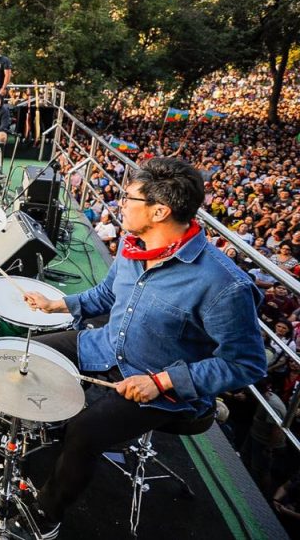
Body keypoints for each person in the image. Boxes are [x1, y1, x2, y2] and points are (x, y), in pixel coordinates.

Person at [22, 157, 266, 538]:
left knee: (85, 432)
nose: (120, 203)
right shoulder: (133, 244)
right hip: (105, 345)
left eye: (127, 197)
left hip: (162, 387)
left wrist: (164, 381)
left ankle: (47, 513)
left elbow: (246, 364)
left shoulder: (223, 285)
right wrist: (62, 305)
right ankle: (42, 435)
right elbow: (107, 293)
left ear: (159, 210)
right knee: (29, 354)